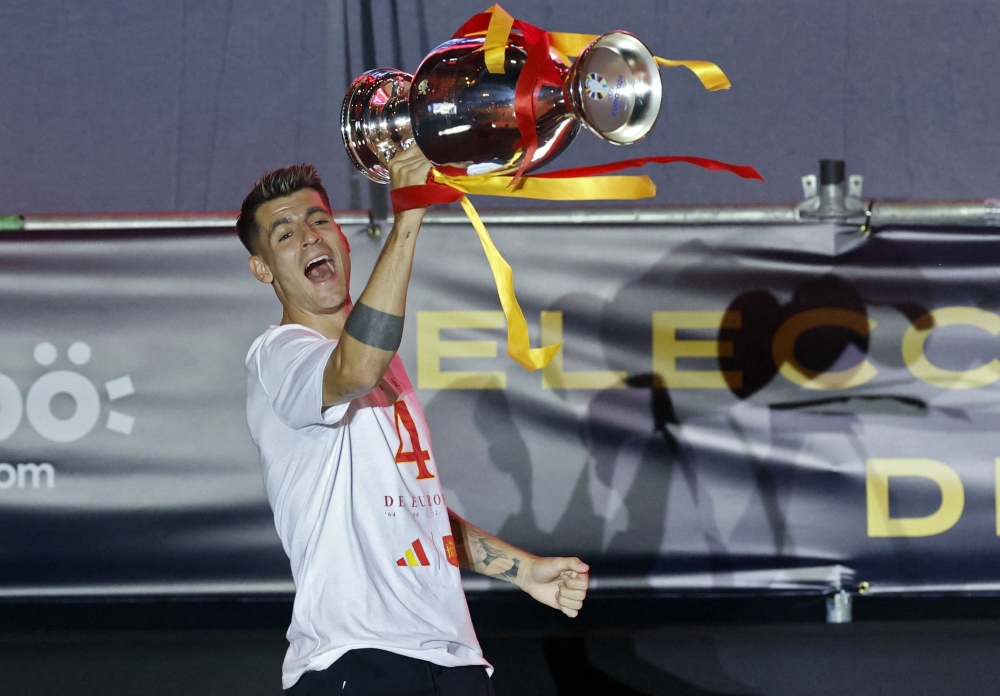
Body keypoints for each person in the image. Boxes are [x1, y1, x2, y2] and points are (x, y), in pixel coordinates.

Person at [238, 147, 590, 695]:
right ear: (263, 269)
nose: (309, 236)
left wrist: (522, 570)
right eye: (284, 235)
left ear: (341, 236)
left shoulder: (386, 362)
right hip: (357, 659)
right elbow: (355, 366)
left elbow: (414, 513)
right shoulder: (279, 355)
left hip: (454, 658)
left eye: (319, 220)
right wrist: (408, 211)